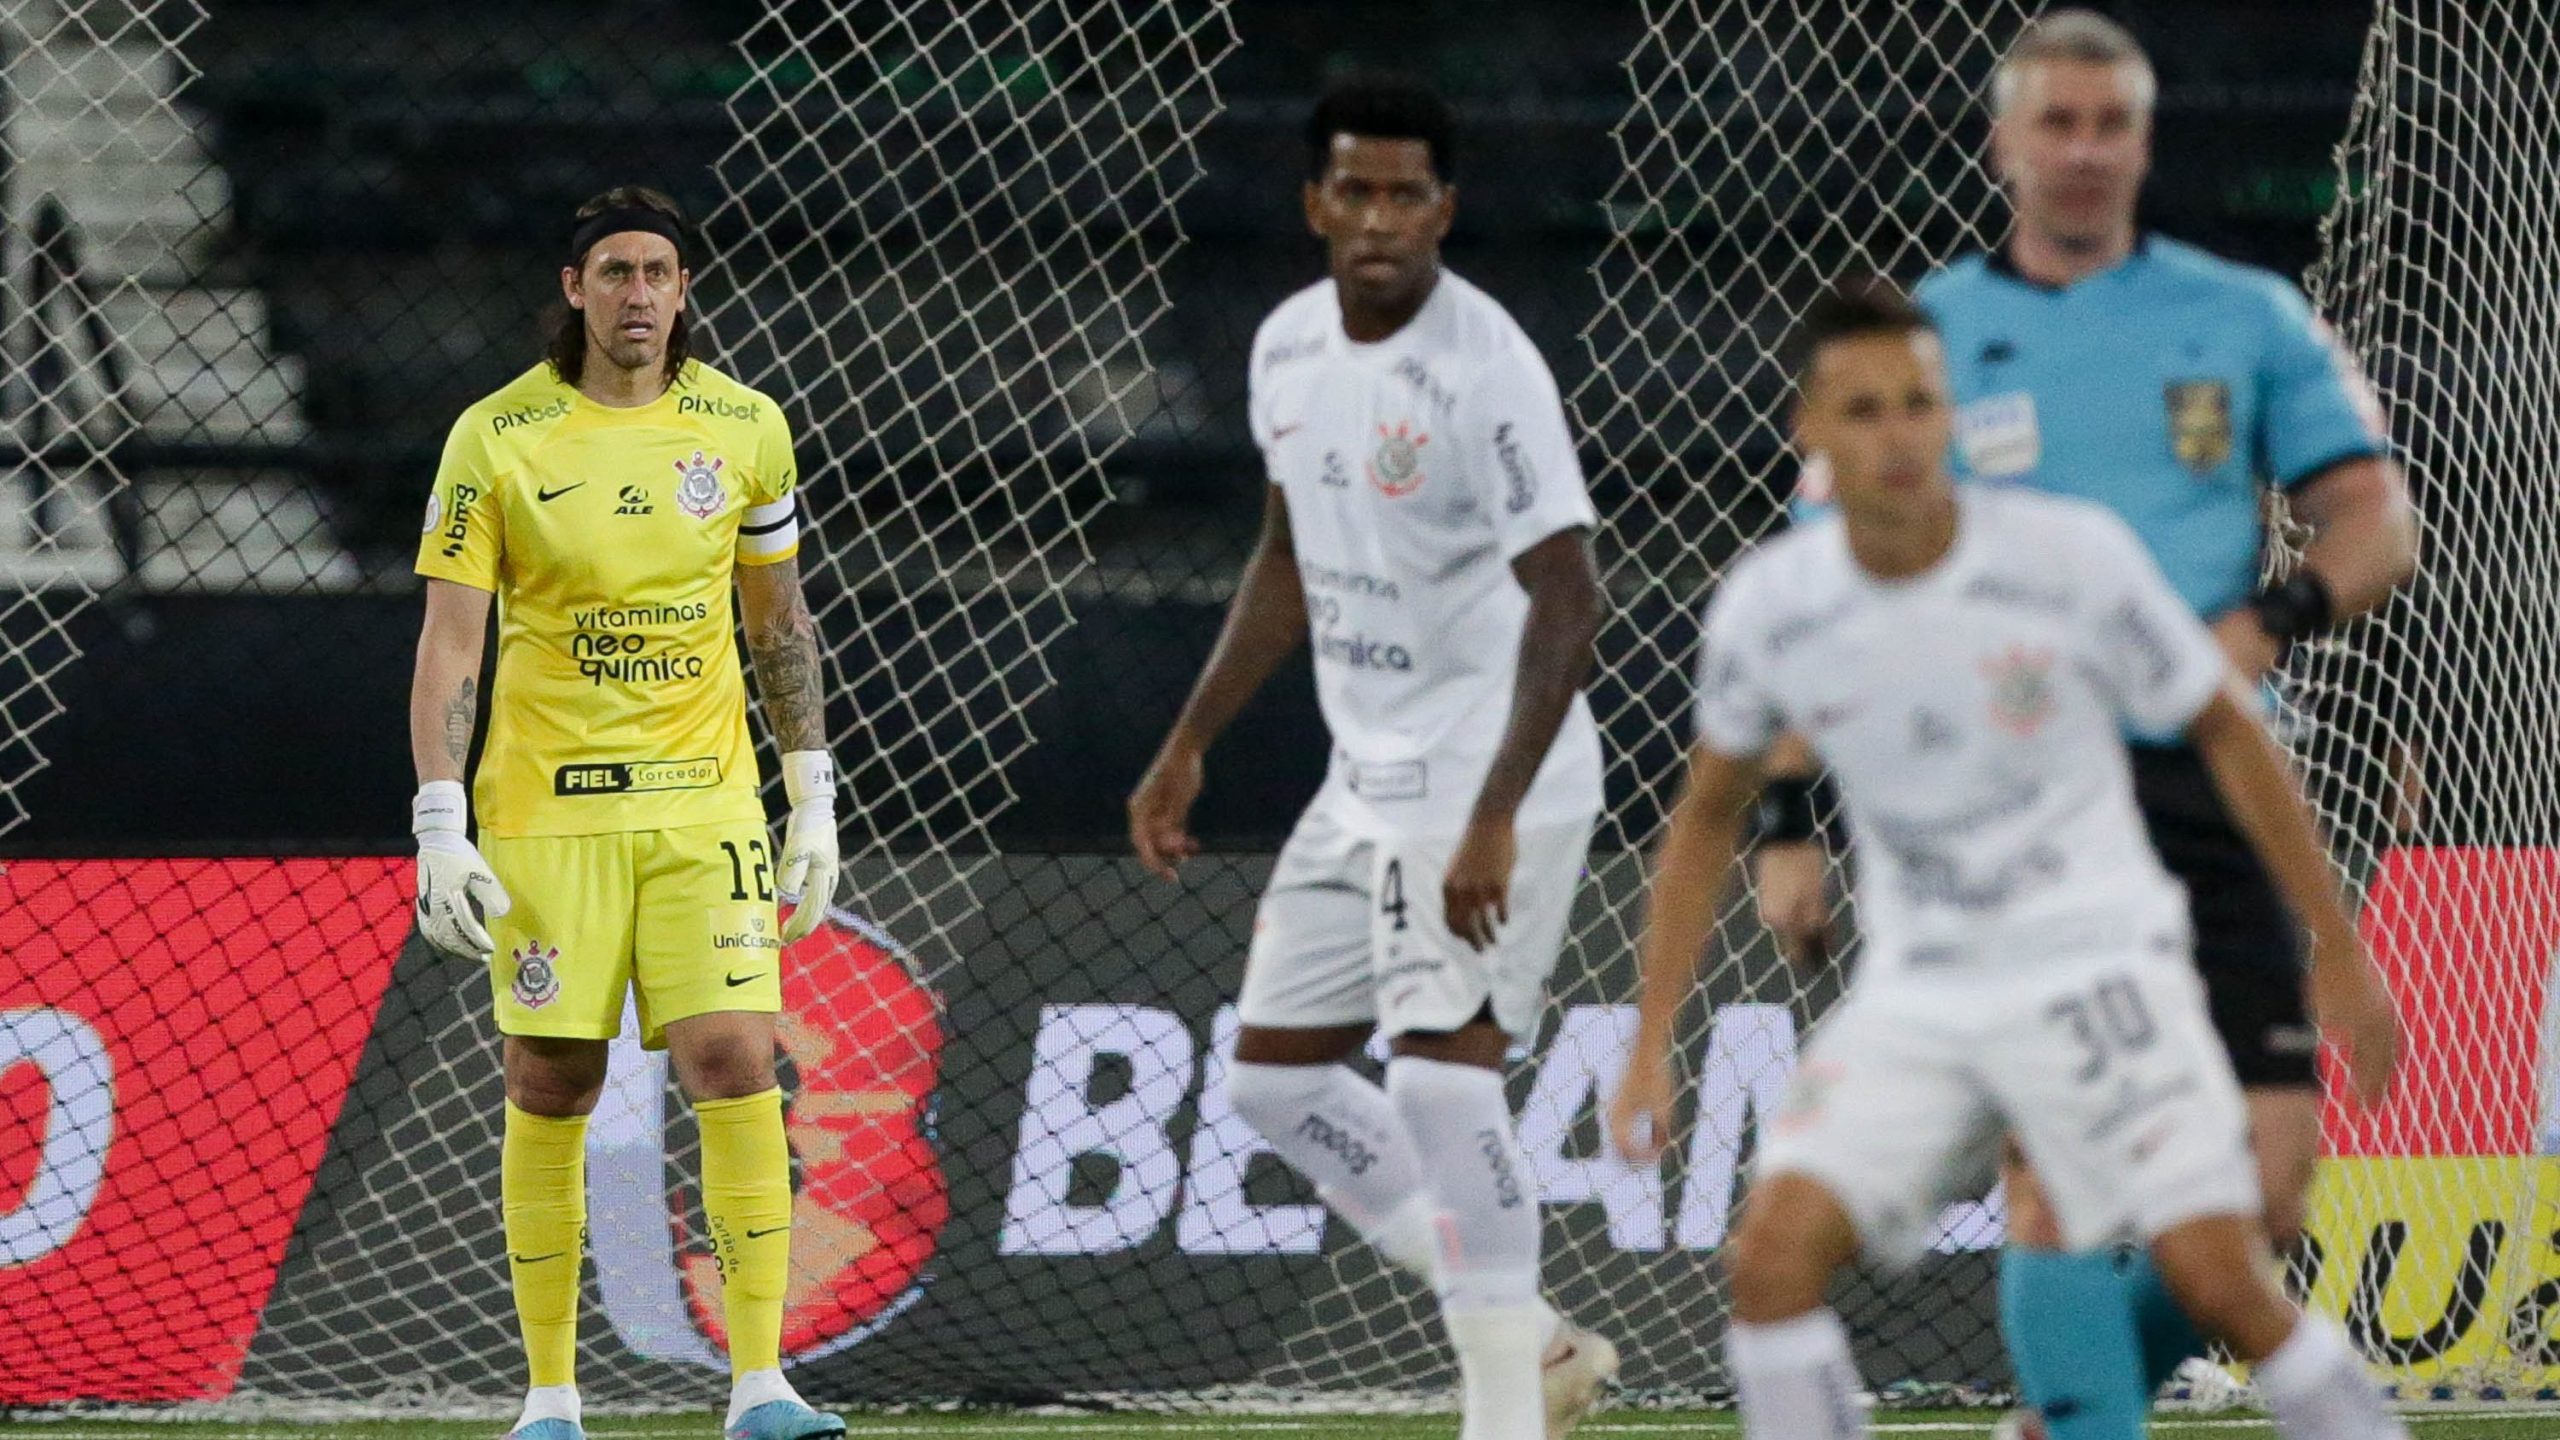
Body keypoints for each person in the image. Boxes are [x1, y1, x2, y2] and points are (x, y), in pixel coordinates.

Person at [1751, 13, 2418, 1433]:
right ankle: (2081, 1408)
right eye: (2055, 124)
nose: (2083, 151)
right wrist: (1784, 816)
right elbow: (1824, 593)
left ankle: (2067, 1398)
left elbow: (2377, 521)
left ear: (2143, 140)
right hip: (2023, 807)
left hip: (2219, 780)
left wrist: (2268, 624)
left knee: (2266, 1209)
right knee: (2057, 1166)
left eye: (2109, 124)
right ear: (2005, 142)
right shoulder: (1926, 343)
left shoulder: (2243, 318)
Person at [1609, 282, 2406, 1440]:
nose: (1895, 435)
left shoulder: (2065, 561)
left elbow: (2230, 732)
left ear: (1954, 415)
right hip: (1923, 989)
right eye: (1863, 409)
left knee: (2225, 1274)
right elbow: (1699, 820)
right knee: (1770, 1258)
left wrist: (2335, 948)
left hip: (2096, 970)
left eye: (1919, 405)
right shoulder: (1770, 606)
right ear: (1809, 433)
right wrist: (1646, 1045)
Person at [1125, 73, 1616, 1440]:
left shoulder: (1486, 366)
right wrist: (1187, 745)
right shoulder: (1287, 346)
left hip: (1489, 771)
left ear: (1445, 210)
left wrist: (1493, 818)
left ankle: (1506, 1413)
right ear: (1315, 203)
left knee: (1441, 1081)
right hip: (1367, 776)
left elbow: (1572, 597)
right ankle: (1545, 1346)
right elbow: (1286, 561)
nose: (1382, 218)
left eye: (1409, 195)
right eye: (1358, 191)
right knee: (1274, 1078)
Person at [408, 185, 847, 1440]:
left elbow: (780, 622)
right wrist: (442, 820)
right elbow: (452, 645)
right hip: (545, 813)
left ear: (685, 288)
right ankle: (550, 1399)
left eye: (659, 271)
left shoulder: (747, 428)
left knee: (736, 1057)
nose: (639, 294)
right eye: (615, 272)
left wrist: (808, 796)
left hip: (703, 803)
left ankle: (760, 1384)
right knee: (554, 1079)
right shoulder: (495, 439)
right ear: (573, 288)